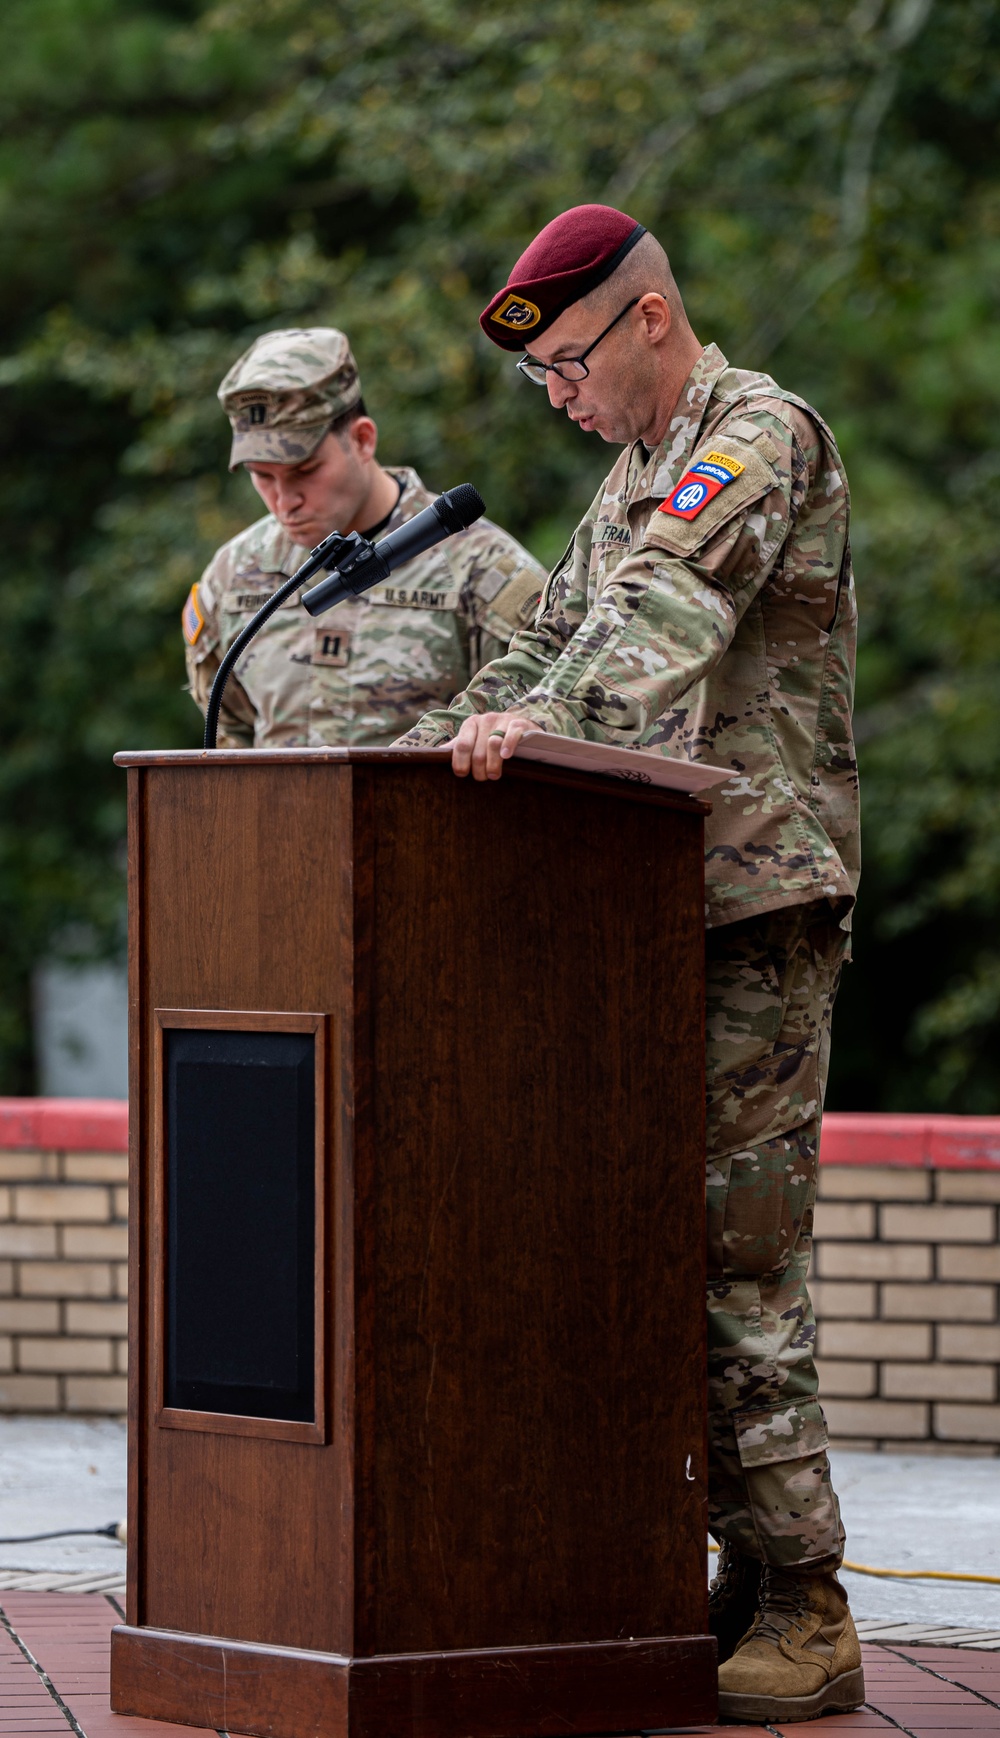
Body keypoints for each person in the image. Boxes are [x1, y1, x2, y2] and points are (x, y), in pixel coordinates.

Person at [396, 205, 862, 1725]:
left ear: (650, 319)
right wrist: (399, 762)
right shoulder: (627, 483)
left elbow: (656, 625)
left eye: (574, 365)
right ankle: (734, 1563)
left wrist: (532, 730)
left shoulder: (755, 438)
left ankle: (807, 1597)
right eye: (545, 387)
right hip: (636, 919)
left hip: (750, 909)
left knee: (737, 1250)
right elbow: (540, 652)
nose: (564, 397)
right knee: (647, 1257)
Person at [183, 327, 546, 746]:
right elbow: (229, 735)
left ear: (362, 440)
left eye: (304, 471)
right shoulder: (232, 577)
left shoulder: (482, 571)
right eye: (261, 477)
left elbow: (544, 721)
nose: (285, 501)